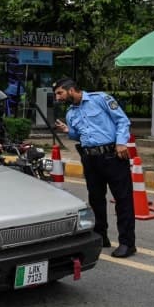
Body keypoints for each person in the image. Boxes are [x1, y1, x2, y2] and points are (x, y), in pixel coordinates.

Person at [53, 77, 136, 258]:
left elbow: (122, 121)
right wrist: (68, 131)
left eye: (59, 92)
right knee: (96, 200)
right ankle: (101, 236)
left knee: (123, 200)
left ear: (71, 89)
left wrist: (122, 143)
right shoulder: (70, 113)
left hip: (112, 156)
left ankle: (127, 243)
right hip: (90, 159)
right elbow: (78, 135)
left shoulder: (100, 99)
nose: (57, 97)